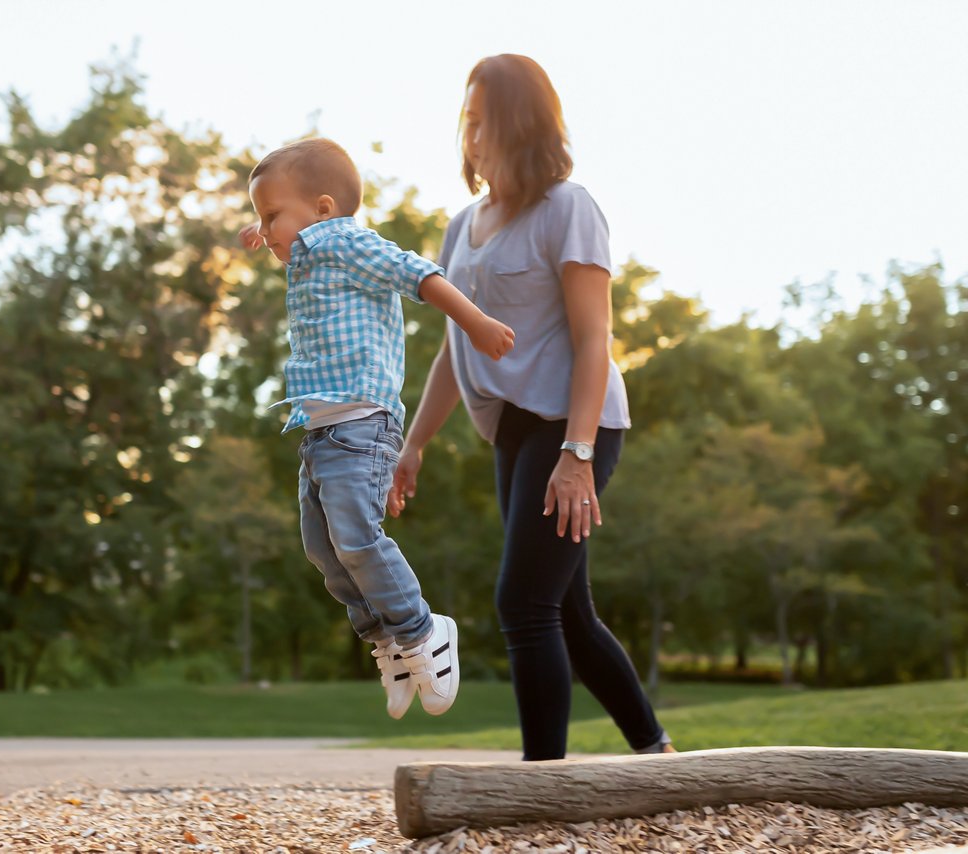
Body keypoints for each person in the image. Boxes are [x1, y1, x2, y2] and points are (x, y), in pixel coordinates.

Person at [386, 55, 676, 759]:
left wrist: (577, 456)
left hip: (574, 425)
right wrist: (415, 442)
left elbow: (593, 338)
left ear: (519, 124)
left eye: (484, 120)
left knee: (523, 602)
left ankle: (542, 782)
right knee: (568, 614)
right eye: (466, 120)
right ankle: (656, 751)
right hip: (513, 432)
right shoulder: (463, 226)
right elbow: (459, 349)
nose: (471, 135)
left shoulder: (568, 210)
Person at [241, 138, 515, 719]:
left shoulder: (345, 240)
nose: (265, 231)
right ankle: (387, 639)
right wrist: (266, 235)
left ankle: (423, 631)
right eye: (259, 220)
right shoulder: (311, 253)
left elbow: (417, 273)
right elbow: (286, 243)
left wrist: (475, 322)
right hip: (321, 433)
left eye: (271, 216)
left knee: (358, 539)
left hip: (361, 423)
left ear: (321, 209)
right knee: (323, 548)